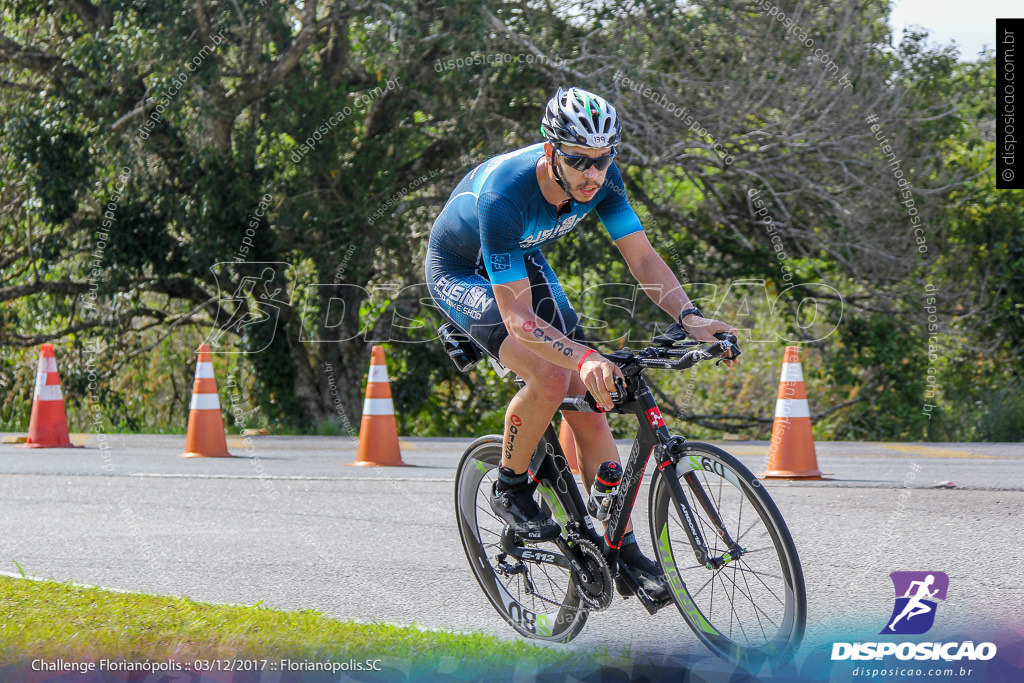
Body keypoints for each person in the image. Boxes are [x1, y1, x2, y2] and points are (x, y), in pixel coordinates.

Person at [426, 86, 738, 598]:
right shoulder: (507, 195)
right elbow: (519, 317)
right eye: (579, 162)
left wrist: (690, 317)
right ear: (551, 151)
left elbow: (642, 259)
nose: (594, 174)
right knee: (551, 374)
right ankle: (510, 484)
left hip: (518, 259)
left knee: (592, 401)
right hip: (462, 270)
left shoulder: (603, 178)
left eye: (603, 159)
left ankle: (624, 548)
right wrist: (585, 355)